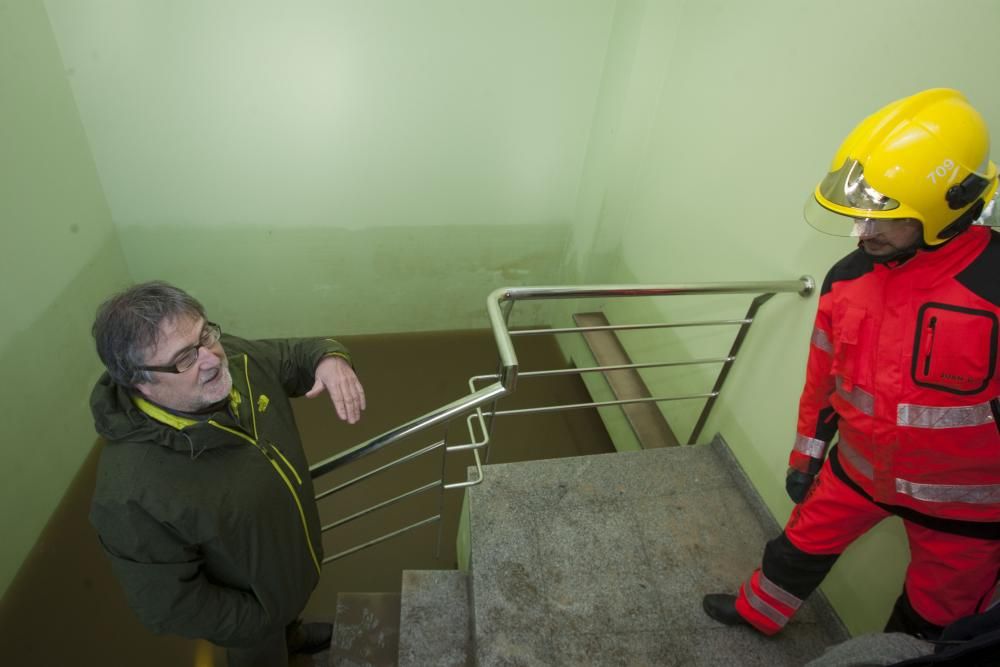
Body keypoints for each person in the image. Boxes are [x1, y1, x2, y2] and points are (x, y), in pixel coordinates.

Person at [702, 88, 1000, 639]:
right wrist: (805, 455)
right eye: (861, 216)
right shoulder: (848, 277)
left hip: (966, 509)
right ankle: (757, 613)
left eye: (884, 219)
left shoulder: (992, 286)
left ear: (944, 210)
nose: (865, 231)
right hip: (857, 471)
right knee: (795, 549)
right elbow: (823, 382)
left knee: (937, 616)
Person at [89, 281, 366, 667]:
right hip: (250, 621)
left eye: (205, 334)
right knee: (260, 656)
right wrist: (260, 620)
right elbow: (170, 605)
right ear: (140, 381)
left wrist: (328, 358)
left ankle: (293, 633)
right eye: (184, 358)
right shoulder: (129, 493)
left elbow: (291, 355)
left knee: (285, 624)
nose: (211, 358)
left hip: (288, 568)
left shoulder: (233, 360)